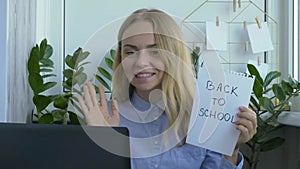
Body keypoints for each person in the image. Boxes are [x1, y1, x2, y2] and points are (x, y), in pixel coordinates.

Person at [77, 8, 257, 169]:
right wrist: (102, 144)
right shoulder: (105, 117)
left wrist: (231, 148)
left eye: (155, 50)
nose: (140, 63)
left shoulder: (204, 115)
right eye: (130, 52)